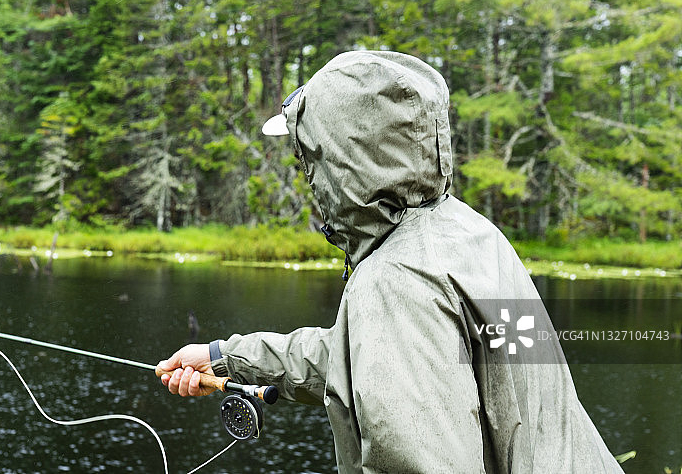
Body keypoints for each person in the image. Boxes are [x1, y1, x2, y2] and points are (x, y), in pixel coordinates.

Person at [158, 50, 624, 473]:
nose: (308, 175)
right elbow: (373, 356)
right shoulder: (469, 232)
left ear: (340, 160)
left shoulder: (395, 280)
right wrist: (229, 361)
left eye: (310, 157)